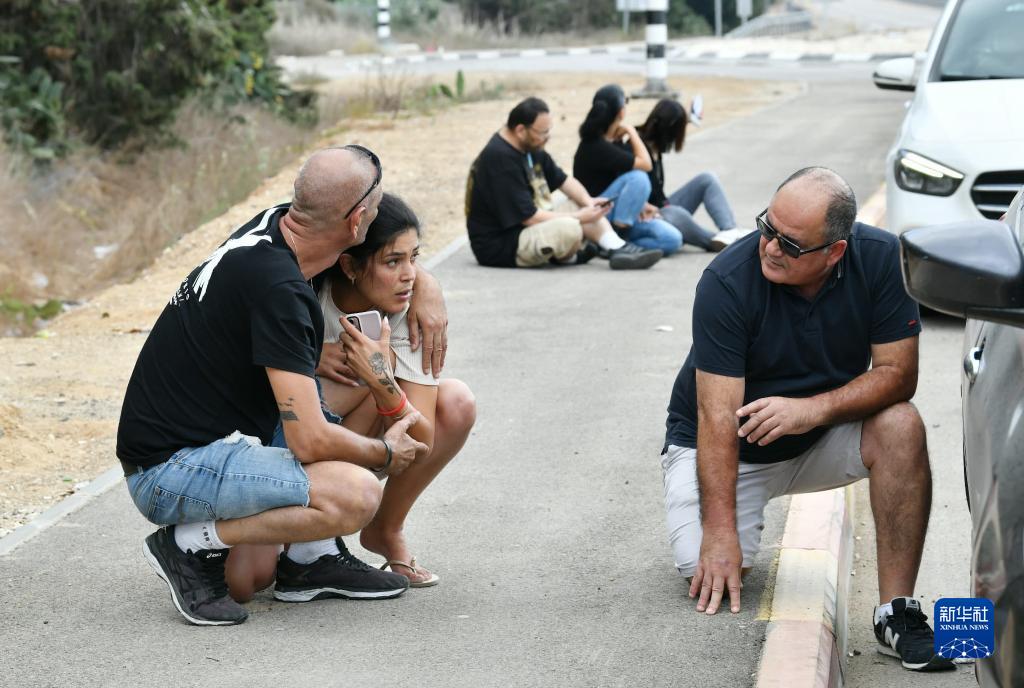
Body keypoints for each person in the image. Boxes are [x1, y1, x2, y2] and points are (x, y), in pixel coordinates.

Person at [117, 146, 450, 626]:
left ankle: (312, 558)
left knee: (356, 377)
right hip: (170, 470)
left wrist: (424, 284)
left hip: (202, 441)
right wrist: (383, 454)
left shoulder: (275, 228)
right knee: (355, 494)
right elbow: (308, 440)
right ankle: (186, 544)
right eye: (375, 207)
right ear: (357, 221)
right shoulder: (281, 289)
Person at [660, 167, 953, 672]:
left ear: (834, 251)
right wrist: (721, 531)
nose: (770, 248)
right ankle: (723, 516)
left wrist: (810, 410)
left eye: (790, 244)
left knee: (902, 424)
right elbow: (716, 415)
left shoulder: (883, 260)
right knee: (703, 565)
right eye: (766, 228)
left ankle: (896, 613)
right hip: (728, 442)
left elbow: (898, 375)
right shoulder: (726, 281)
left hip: (815, 433)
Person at [225, 193, 476, 596]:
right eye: (393, 262)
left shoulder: (407, 310)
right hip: (273, 441)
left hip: (343, 440)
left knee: (455, 402)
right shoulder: (305, 285)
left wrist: (381, 381)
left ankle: (374, 532)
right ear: (349, 265)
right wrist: (307, 357)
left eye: (414, 259)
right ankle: (234, 527)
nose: (410, 276)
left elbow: (421, 442)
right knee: (245, 581)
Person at [465, 96, 663, 271]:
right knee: (571, 227)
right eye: (542, 133)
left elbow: (564, 180)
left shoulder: (530, 147)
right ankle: (571, 257)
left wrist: (588, 202)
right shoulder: (500, 159)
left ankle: (617, 247)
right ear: (520, 130)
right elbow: (529, 218)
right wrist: (580, 216)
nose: (547, 138)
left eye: (548, 131)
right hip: (503, 245)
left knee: (583, 206)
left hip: (526, 227)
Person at [572, 84, 685, 256]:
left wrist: (641, 204)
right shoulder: (596, 145)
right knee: (638, 178)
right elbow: (645, 164)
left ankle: (618, 244)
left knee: (673, 239)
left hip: (618, 214)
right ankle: (616, 244)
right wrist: (631, 132)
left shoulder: (612, 141)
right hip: (597, 215)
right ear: (621, 112)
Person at [635, 98, 749, 251]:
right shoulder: (637, 146)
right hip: (647, 215)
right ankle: (719, 241)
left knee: (707, 179)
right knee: (676, 213)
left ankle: (730, 230)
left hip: (662, 207)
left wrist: (688, 117)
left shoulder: (656, 145)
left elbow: (668, 122)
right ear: (668, 130)